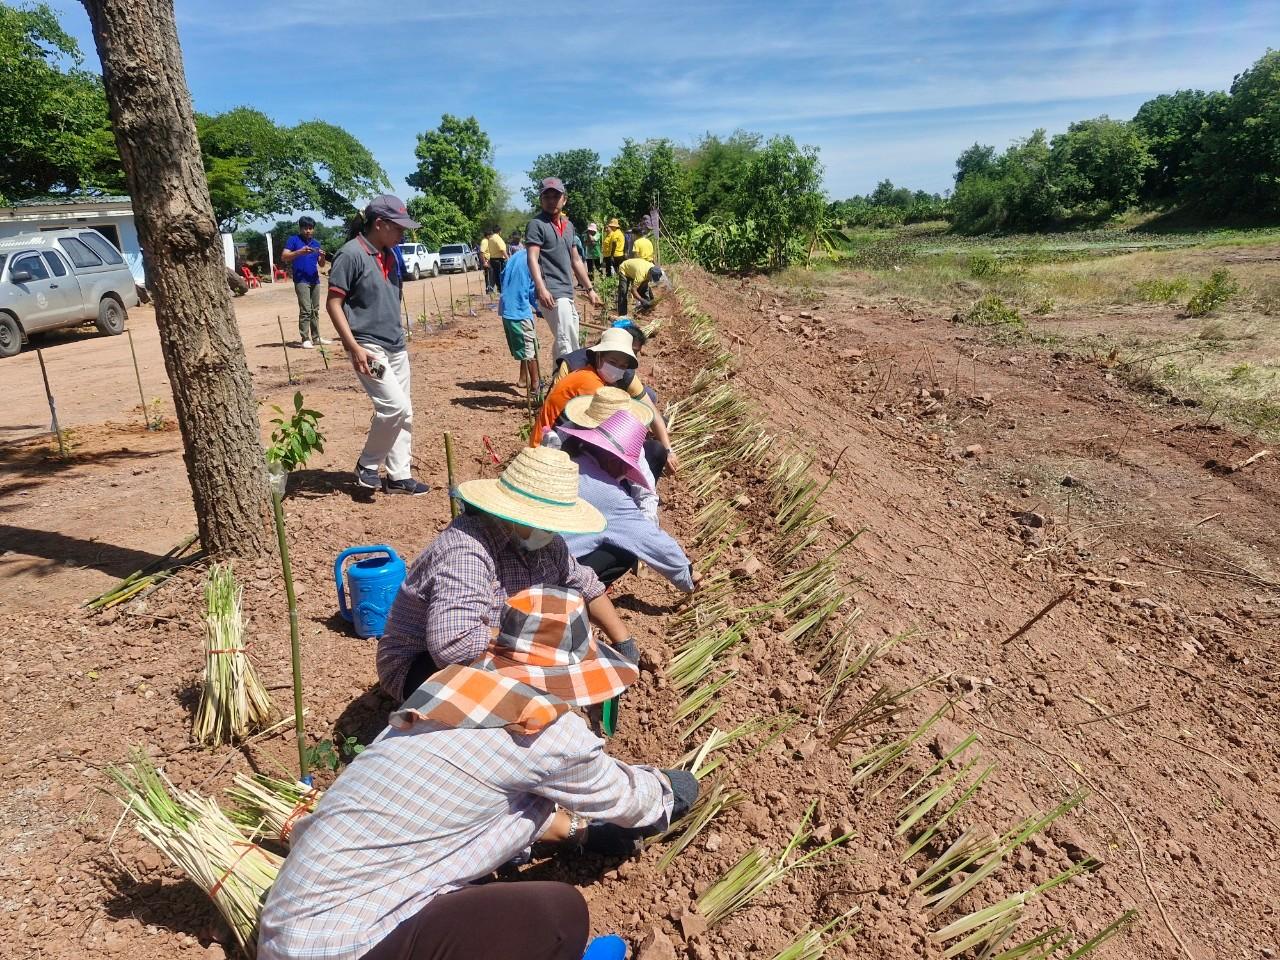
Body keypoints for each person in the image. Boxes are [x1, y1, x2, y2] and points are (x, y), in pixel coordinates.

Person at [259, 585, 701, 960]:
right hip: (344, 947)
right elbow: (626, 800)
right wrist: (668, 793)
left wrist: (578, 834)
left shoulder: (450, 690)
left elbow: (484, 803)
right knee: (560, 915)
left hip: (289, 929)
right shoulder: (548, 731)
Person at [377, 445, 641, 702]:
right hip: (424, 664)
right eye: (547, 523)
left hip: (499, 650)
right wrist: (540, 636)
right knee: (530, 705)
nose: (552, 531)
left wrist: (623, 643)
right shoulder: (467, 551)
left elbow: (585, 585)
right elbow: (453, 646)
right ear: (516, 514)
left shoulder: (548, 544)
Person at [326, 195, 430, 496]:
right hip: (368, 345)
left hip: (395, 344)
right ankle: (367, 465)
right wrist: (354, 347)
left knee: (405, 411)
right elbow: (334, 304)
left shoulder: (391, 254)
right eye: (398, 228)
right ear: (380, 223)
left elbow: (392, 296)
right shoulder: (351, 255)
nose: (403, 234)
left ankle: (399, 476)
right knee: (393, 406)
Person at [559, 411, 696, 592]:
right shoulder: (608, 494)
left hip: (530, 554)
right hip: (551, 573)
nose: (626, 471)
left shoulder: (569, 455)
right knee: (627, 548)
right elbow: (646, 537)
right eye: (625, 464)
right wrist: (688, 573)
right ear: (610, 458)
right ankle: (578, 594)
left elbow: (646, 496)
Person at [526, 177, 600, 361]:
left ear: (564, 199)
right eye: (547, 197)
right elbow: (532, 258)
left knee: (567, 336)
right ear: (541, 200)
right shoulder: (536, 225)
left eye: (556, 196)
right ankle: (570, 381)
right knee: (568, 341)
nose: (552, 201)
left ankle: (558, 379)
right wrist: (541, 288)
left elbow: (576, 260)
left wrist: (590, 289)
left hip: (567, 292)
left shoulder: (568, 226)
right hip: (551, 293)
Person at [500, 242, 541, 403]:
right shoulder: (533, 261)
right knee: (530, 351)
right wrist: (538, 308)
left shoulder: (517, 256)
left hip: (507, 309)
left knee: (528, 345)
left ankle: (523, 379)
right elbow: (532, 289)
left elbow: (503, 276)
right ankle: (536, 390)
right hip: (518, 311)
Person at [283, 216, 327, 347]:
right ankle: (305, 338)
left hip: (315, 279)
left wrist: (323, 256)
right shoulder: (293, 240)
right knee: (306, 309)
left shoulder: (316, 244)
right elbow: (284, 256)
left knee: (315, 309)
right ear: (300, 228)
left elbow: (322, 265)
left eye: (310, 228)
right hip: (301, 280)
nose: (308, 230)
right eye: (305, 228)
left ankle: (316, 337)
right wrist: (299, 252)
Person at [484, 224, 507, 295]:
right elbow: (502, 249)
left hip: (492, 259)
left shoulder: (490, 239)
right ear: (499, 231)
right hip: (499, 260)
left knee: (496, 275)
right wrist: (508, 258)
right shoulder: (498, 238)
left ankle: (498, 289)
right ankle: (501, 289)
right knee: (501, 275)